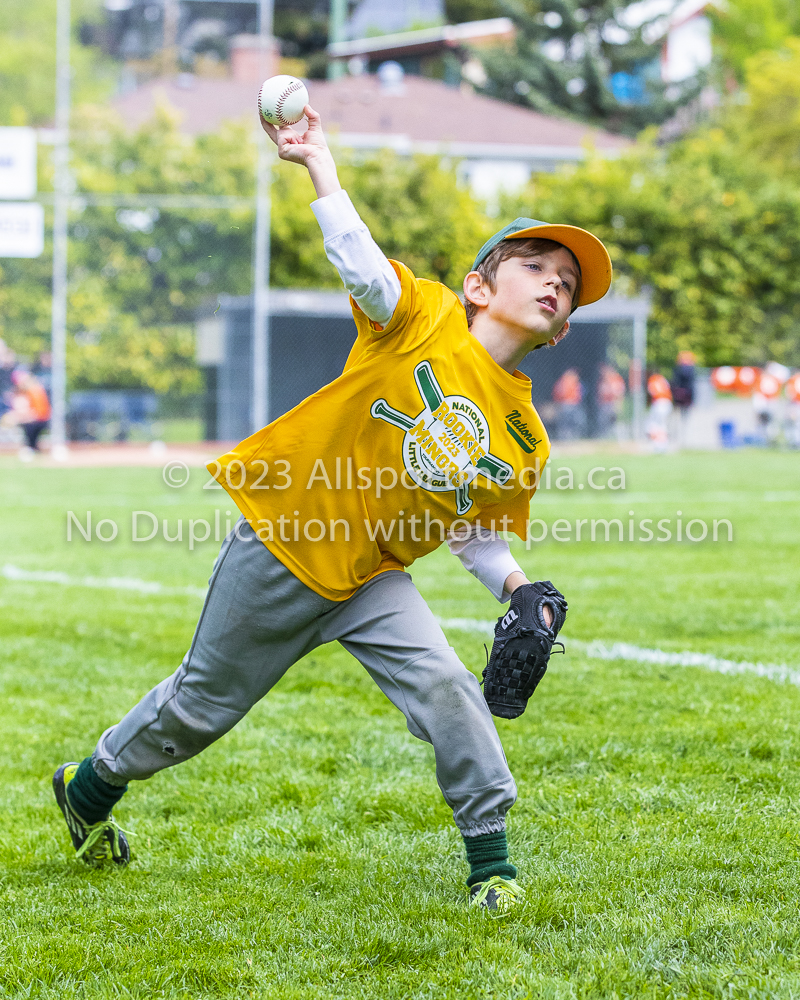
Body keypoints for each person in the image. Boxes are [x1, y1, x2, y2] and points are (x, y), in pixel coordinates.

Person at [52, 104, 612, 912]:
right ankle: (91, 786)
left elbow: (475, 531)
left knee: (449, 687)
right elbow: (362, 267)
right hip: (285, 543)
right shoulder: (420, 319)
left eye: (568, 285)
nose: (556, 283)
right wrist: (321, 167)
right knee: (201, 708)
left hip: (371, 580)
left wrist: (519, 588)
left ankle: (491, 864)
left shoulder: (524, 433)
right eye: (537, 265)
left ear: (560, 330)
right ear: (480, 284)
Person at [2, 369, 52, 459]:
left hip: (40, 420)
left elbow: (38, 413)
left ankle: (31, 448)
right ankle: (32, 448)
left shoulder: (34, 391)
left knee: (26, 426)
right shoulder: (28, 391)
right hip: (37, 418)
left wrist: (19, 416)